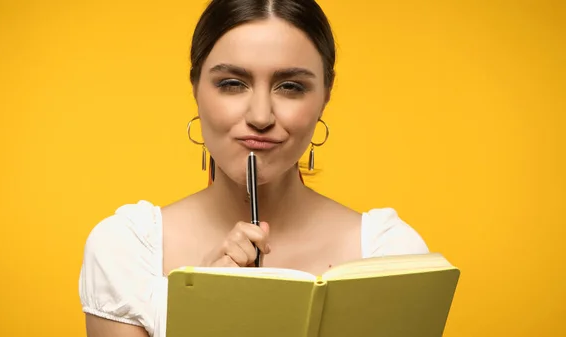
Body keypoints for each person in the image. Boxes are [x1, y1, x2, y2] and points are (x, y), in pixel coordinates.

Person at [78, 0, 430, 336]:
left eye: (291, 87)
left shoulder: (391, 256)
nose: (260, 116)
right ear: (195, 88)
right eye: (232, 83)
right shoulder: (126, 252)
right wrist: (198, 312)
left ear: (326, 94)